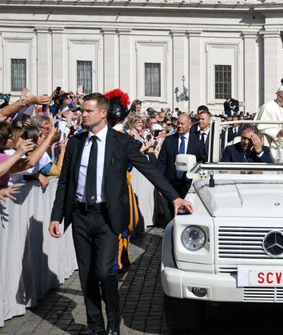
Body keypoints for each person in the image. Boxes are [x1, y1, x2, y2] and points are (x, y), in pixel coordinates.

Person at [49, 93, 193, 335]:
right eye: (82, 110)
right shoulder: (75, 142)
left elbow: (148, 169)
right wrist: (57, 216)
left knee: (105, 272)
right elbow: (65, 182)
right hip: (80, 216)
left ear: (103, 113)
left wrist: (174, 197)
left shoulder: (121, 141)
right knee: (87, 276)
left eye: (88, 111)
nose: (82, 114)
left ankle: (113, 319)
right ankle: (96, 326)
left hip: (107, 217)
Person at [157, 113, 206, 198]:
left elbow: (202, 163)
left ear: (190, 125)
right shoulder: (169, 141)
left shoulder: (198, 143)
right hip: (170, 185)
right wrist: (159, 184)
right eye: (178, 123)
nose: (179, 126)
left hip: (189, 186)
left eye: (182, 124)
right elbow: (162, 163)